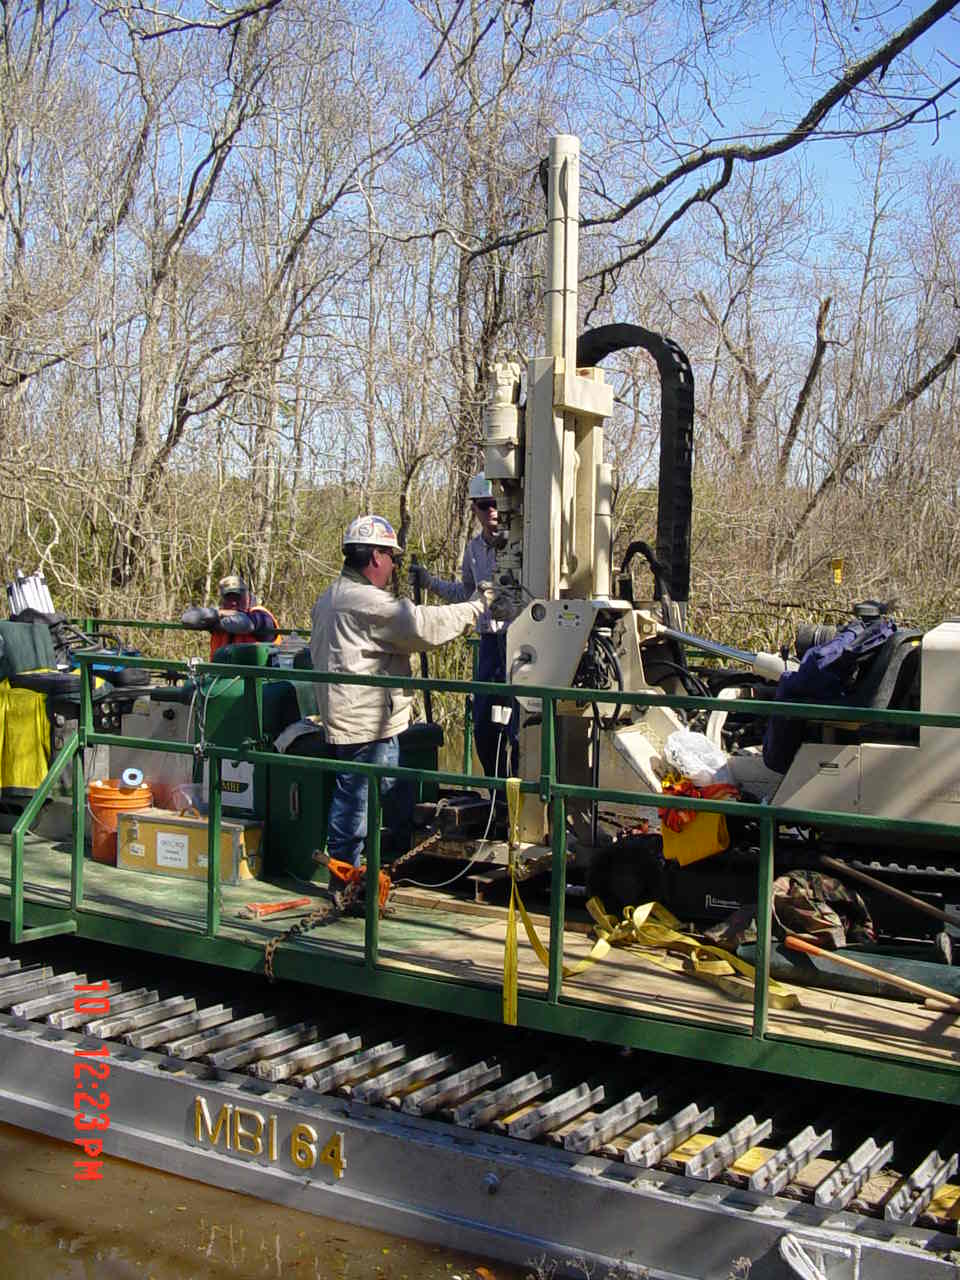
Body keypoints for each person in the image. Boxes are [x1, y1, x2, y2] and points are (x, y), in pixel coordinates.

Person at [310, 514, 494, 867]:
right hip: (365, 725)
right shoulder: (365, 602)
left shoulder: (333, 595)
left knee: (391, 788)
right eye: (392, 558)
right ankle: (344, 877)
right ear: (376, 557)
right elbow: (423, 626)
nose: (394, 566)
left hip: (367, 719)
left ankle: (392, 858)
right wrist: (476, 606)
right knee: (355, 804)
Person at [410, 474, 516, 779]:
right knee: (484, 727)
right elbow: (466, 594)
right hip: (488, 646)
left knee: (520, 728)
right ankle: (498, 796)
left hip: (519, 644)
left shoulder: (522, 543)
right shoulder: (473, 550)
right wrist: (430, 583)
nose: (492, 510)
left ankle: (523, 804)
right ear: (474, 508)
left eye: (496, 503)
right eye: (484, 505)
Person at [181, 574, 281, 660]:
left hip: (257, 678)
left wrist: (218, 622)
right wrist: (218, 614)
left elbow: (246, 624)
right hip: (220, 676)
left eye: (238, 597)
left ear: (247, 596)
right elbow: (187, 619)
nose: (233, 602)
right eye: (228, 598)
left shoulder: (261, 615)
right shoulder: (220, 613)